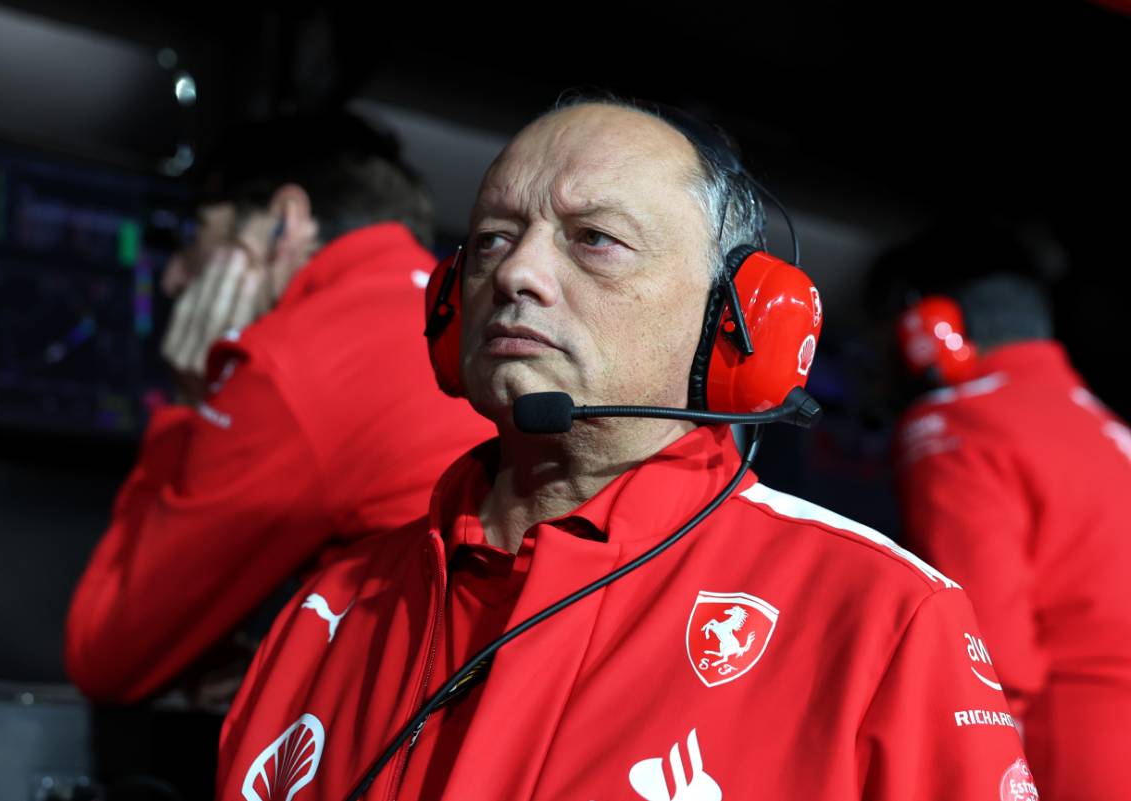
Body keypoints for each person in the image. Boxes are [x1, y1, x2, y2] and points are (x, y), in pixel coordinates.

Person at [214, 97, 1031, 801]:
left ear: (733, 320)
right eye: (494, 238)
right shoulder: (329, 611)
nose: (518, 273)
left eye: (594, 238)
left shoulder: (881, 618)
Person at [65, 112, 493, 703]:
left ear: (283, 221)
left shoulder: (289, 363)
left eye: (197, 234)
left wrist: (190, 405)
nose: (174, 277)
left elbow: (106, 655)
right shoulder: (463, 318)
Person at [891, 267, 1131, 801]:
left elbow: (989, 628)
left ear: (943, 335)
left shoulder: (960, 420)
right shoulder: (1115, 430)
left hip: (1068, 746)